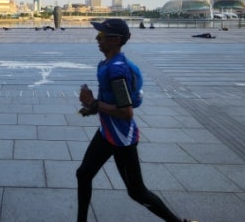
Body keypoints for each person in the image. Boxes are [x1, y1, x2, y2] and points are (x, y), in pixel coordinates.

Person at [77, 18, 195, 222]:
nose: (97, 39)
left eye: (101, 35)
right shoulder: (106, 64)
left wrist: (94, 103)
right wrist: (91, 109)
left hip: (121, 138)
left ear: (115, 40)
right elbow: (111, 102)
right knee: (84, 174)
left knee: (137, 191)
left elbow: (126, 112)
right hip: (107, 132)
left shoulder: (117, 71)